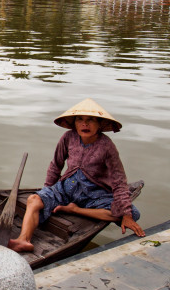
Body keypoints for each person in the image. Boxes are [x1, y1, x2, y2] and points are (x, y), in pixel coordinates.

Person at [8, 98, 145, 253]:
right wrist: (47, 191)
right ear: (74, 123)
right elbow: (56, 165)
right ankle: (24, 239)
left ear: (99, 124)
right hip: (67, 187)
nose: (84, 124)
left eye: (90, 120)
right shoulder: (68, 137)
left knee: (132, 213)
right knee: (34, 199)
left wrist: (125, 214)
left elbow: (119, 181)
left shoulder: (107, 146)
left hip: (94, 193)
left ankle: (74, 210)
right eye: (80, 119)